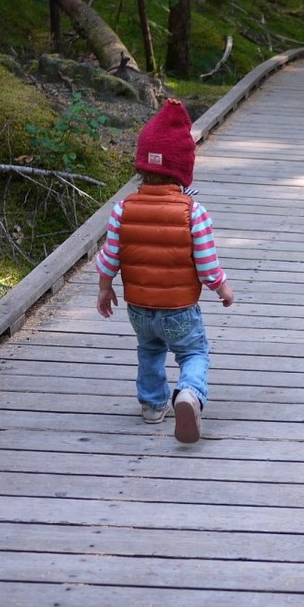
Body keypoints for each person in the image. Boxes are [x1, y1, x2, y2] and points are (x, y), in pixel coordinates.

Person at [95, 98, 235, 443]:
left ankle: (153, 405)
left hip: (139, 308)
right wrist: (222, 287)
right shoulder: (194, 212)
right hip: (180, 310)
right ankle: (189, 393)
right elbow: (205, 262)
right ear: (184, 168)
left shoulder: (123, 209)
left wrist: (104, 288)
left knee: (150, 350)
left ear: (142, 166)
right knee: (194, 352)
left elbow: (110, 255)